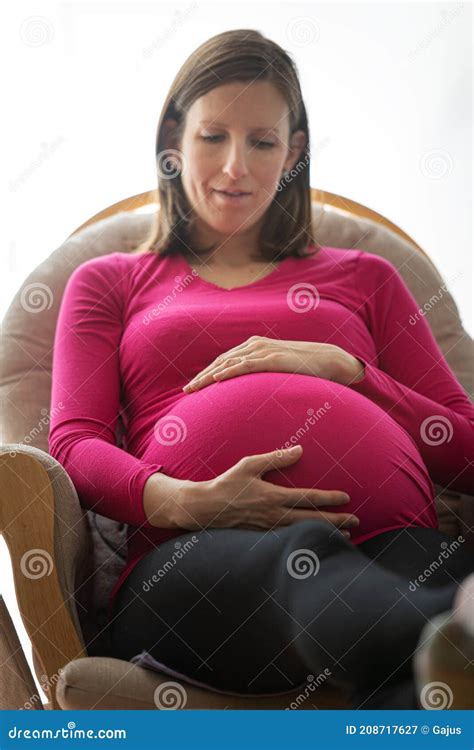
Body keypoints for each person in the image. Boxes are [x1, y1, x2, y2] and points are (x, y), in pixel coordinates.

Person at [48, 29, 474, 709]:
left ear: (295, 151)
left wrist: (353, 373)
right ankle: (445, 628)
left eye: (263, 141)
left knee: (418, 688)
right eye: (213, 136)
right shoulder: (109, 282)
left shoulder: (368, 276)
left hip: (402, 547)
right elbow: (74, 443)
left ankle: (437, 649)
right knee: (299, 563)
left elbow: (467, 451)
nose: (236, 167)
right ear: (173, 139)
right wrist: (183, 500)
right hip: (195, 562)